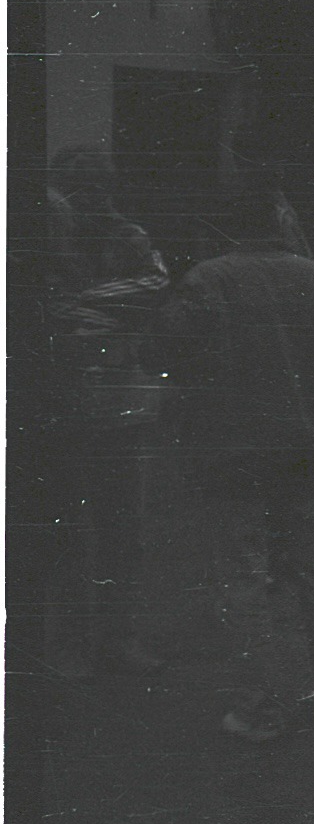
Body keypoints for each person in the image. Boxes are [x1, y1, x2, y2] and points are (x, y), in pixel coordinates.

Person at [160, 188, 314, 742]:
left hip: (233, 453)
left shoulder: (206, 281)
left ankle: (259, 708)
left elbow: (176, 354)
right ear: (278, 217)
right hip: (304, 446)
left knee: (244, 578)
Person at [47, 216, 171, 676]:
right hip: (73, 408)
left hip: (118, 409)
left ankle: (115, 637)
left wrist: (78, 306)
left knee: (121, 530)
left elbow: (153, 289)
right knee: (74, 532)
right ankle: (76, 642)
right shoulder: (53, 242)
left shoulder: (127, 236)